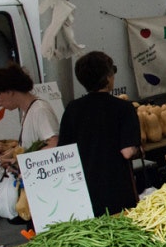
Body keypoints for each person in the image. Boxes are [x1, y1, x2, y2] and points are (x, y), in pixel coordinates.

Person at [58, 52, 141, 216]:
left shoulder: (72, 109)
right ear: (108, 77)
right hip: (117, 190)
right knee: (122, 228)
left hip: (84, 190)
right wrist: (139, 149)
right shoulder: (124, 108)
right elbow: (127, 152)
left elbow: (63, 151)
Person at [0, 64, 59, 153]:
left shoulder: (40, 110)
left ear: (9, 91)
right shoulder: (28, 111)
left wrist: (25, 158)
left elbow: (54, 145)